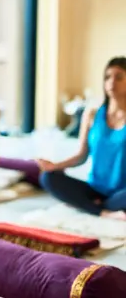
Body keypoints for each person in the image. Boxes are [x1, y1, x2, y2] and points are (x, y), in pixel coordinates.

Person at [37, 57, 126, 221]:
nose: (112, 82)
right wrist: (55, 166)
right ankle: (104, 211)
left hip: (122, 192)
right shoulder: (92, 114)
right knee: (48, 178)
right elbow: (81, 155)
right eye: (107, 77)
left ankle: (91, 206)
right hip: (94, 188)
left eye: (119, 77)